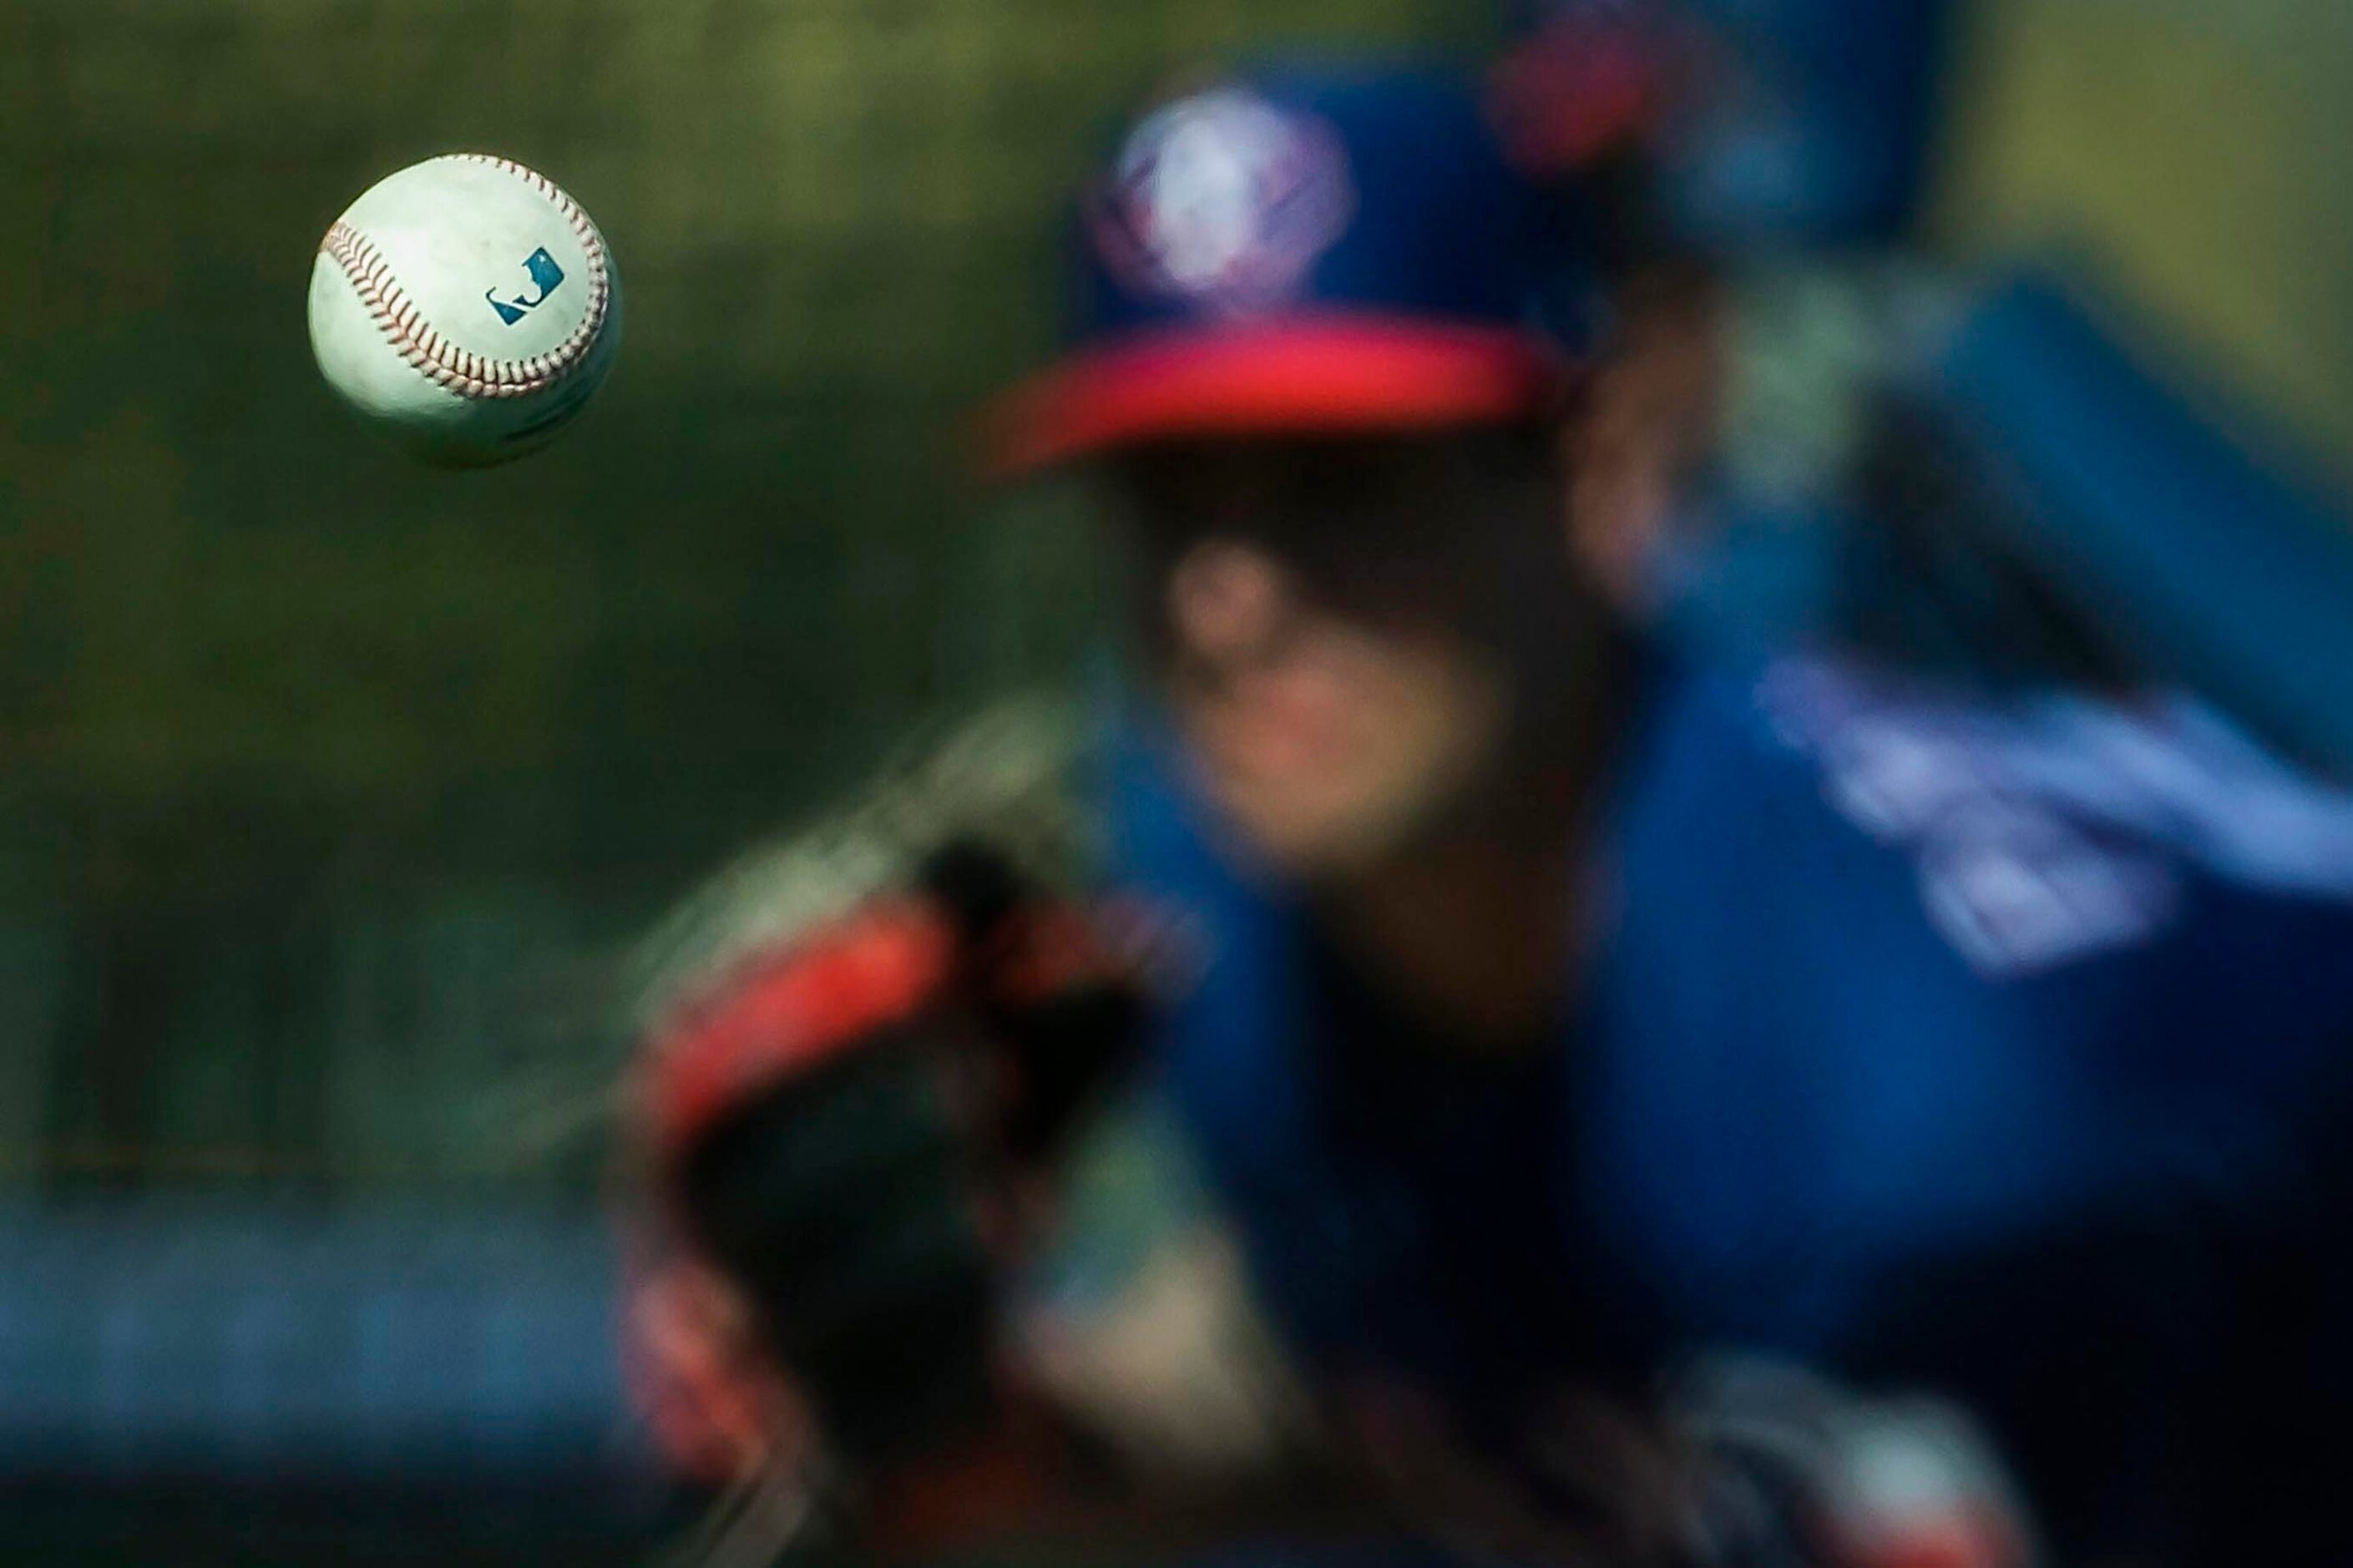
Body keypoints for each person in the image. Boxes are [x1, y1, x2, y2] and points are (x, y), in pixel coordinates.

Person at [623, 56, 2353, 1568]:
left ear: (1590, 473)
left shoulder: (1942, 1113)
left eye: (1338, 491)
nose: (1233, 603)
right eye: (1167, 504)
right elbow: (1398, 1369)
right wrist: (974, 1430)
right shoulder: (1231, 872)